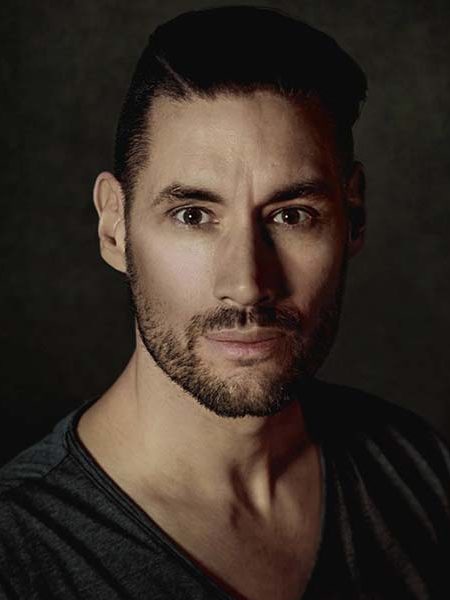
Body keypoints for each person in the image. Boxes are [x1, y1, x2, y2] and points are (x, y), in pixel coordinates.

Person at [0, 6, 449, 599]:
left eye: (292, 216)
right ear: (114, 228)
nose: (247, 283)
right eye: (193, 215)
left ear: (354, 217)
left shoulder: (421, 473)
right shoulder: (19, 557)